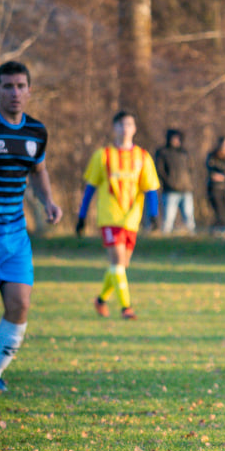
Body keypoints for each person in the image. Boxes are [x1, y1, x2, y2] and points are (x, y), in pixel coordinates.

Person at [0, 61, 63, 391]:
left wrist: (48, 200)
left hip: (15, 235)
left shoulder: (37, 132)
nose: (15, 93)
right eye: (8, 86)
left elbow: (38, 170)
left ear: (30, 90)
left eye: (21, 86)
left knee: (20, 304)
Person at [76, 110, 160, 320]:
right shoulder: (102, 155)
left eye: (129, 124)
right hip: (109, 217)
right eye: (121, 124)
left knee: (121, 266)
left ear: (135, 129)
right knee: (117, 262)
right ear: (114, 128)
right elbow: (90, 187)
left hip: (131, 219)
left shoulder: (142, 156)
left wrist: (154, 215)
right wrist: (82, 215)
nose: (125, 128)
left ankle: (101, 300)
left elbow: (150, 188)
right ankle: (126, 308)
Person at [155, 129, 196, 234]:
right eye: (174, 138)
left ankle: (192, 236)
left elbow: (191, 167)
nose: (176, 140)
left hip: (186, 189)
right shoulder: (163, 152)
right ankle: (165, 237)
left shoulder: (184, 152)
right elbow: (160, 170)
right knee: (168, 218)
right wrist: (168, 182)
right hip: (170, 191)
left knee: (189, 217)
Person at [205, 136, 225, 235]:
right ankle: (216, 231)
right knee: (219, 212)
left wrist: (224, 175)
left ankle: (222, 231)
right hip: (215, 189)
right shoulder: (213, 156)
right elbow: (212, 170)